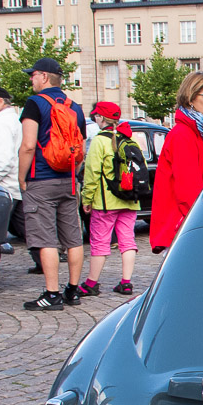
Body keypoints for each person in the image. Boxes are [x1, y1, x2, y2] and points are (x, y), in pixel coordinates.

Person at [18, 58, 87, 311]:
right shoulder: (75, 107)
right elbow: (80, 148)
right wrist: (73, 175)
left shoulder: (34, 104)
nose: (30, 79)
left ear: (45, 77)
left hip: (41, 179)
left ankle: (52, 294)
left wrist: (22, 178)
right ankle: (73, 290)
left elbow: (27, 145)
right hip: (67, 181)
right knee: (73, 238)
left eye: (33, 74)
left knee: (46, 238)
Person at [150, 71, 203, 252]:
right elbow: (188, 192)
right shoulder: (183, 134)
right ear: (190, 99)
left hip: (198, 224)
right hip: (188, 229)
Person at [78, 101, 139, 297]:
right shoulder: (129, 137)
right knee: (128, 241)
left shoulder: (99, 141)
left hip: (106, 202)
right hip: (130, 200)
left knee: (100, 242)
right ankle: (126, 282)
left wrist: (86, 199)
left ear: (101, 118)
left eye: (96, 115)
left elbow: (92, 172)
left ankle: (91, 283)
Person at [0, 86, 21, 274]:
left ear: (0, 101)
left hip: (5, 185)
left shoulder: (2, 122)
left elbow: (2, 158)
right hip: (13, 183)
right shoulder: (12, 119)